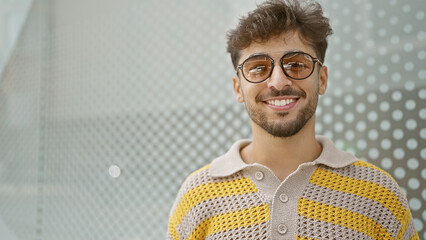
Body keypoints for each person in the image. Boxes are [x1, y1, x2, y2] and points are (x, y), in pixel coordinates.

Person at [167, 0, 419, 239]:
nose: (278, 81)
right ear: (237, 88)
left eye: (297, 64)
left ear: (322, 79)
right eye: (258, 68)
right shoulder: (196, 197)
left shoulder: (380, 195)